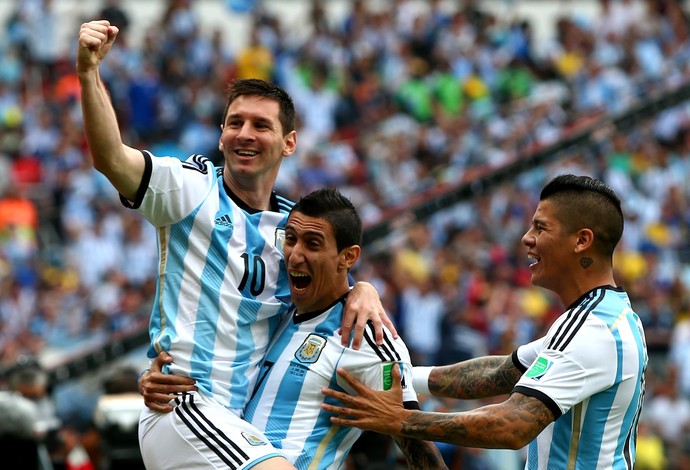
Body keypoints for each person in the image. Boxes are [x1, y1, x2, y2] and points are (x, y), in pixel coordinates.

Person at [77, 20, 394, 469]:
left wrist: (366, 289)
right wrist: (89, 73)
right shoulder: (189, 189)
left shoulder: (294, 230)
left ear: (289, 143)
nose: (244, 133)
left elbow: (334, 287)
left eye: (260, 125)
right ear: (222, 135)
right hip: (186, 407)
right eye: (235, 123)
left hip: (242, 423)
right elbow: (110, 156)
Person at [322, 174, 648, 469]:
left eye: (540, 227)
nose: (526, 238)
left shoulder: (593, 330)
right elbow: (500, 373)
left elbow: (512, 426)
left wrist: (399, 420)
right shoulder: (605, 316)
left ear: (581, 241)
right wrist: (401, 375)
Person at [141, 188, 447, 469]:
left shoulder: (367, 338)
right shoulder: (277, 313)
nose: (295, 255)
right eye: (290, 239)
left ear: (348, 256)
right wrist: (156, 375)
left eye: (312, 244)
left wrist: (364, 288)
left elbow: (416, 442)